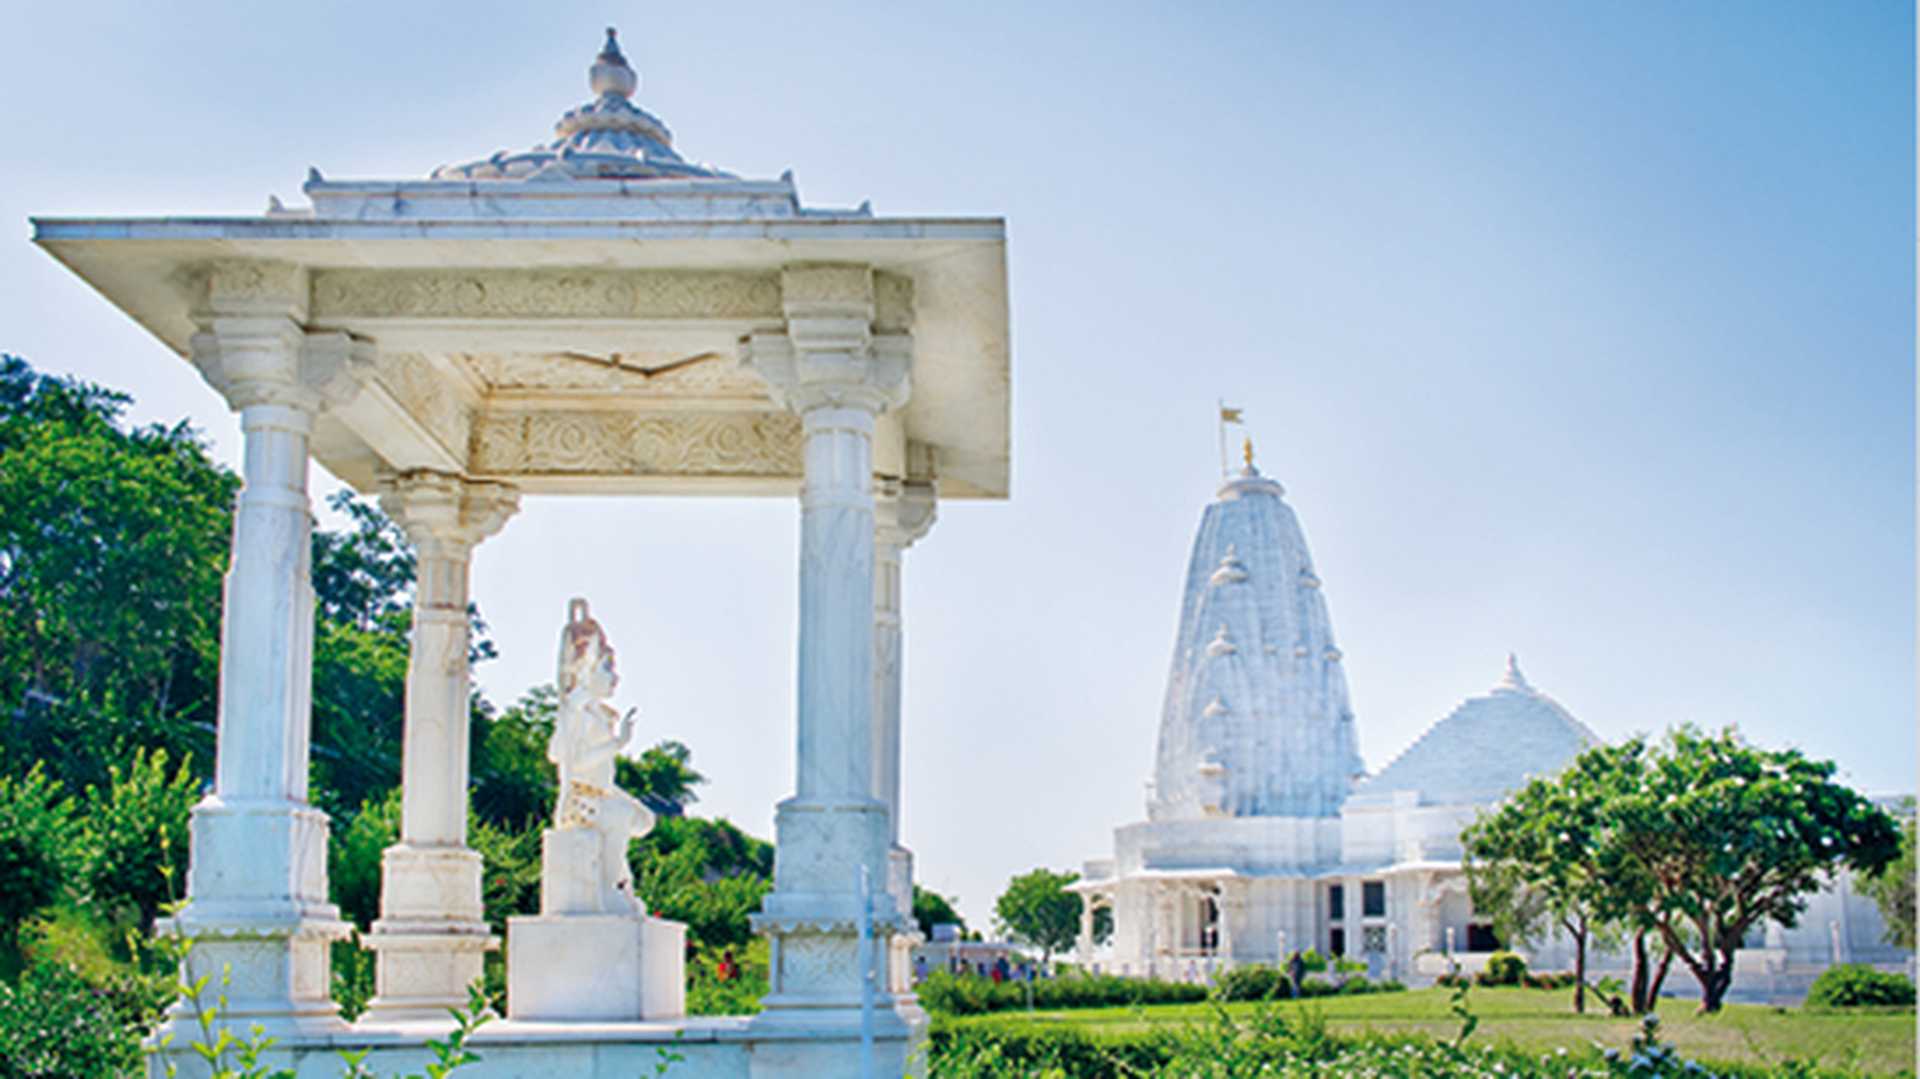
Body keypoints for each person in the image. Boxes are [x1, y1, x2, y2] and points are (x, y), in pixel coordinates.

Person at [550, 598, 656, 914]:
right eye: (607, 668)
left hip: (601, 794)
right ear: (586, 671)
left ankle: (619, 882)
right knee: (620, 817)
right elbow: (563, 757)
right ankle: (608, 890)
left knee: (642, 819)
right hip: (580, 801)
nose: (615, 678)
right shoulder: (576, 712)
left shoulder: (596, 713)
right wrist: (617, 743)